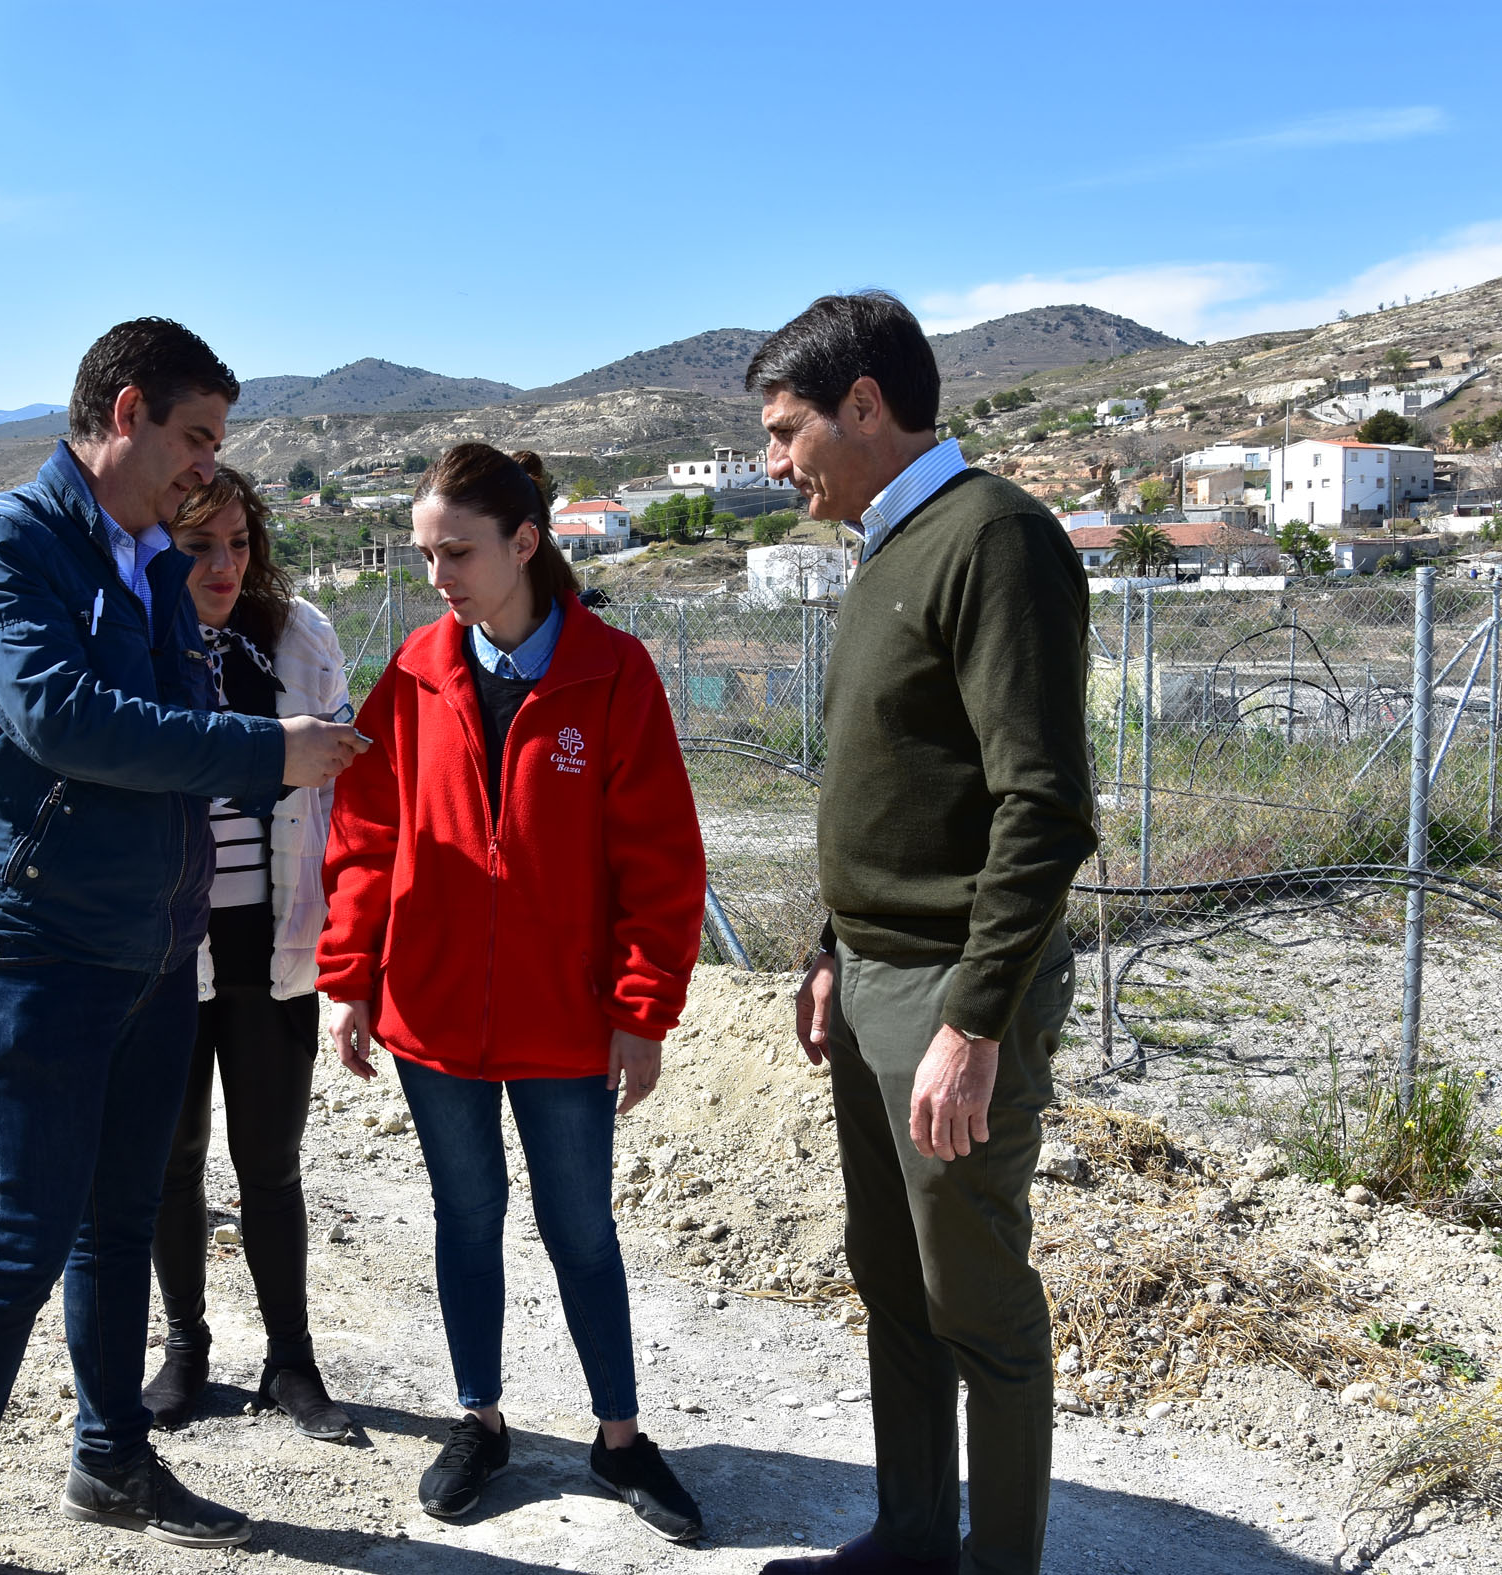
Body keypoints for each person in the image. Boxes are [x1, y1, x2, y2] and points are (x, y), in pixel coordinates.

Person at [0, 318, 367, 1575]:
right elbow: (61, 717)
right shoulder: (0, 547)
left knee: (117, 1226)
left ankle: (111, 1460)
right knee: (23, 1235)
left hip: (158, 947)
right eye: (194, 437)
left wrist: (270, 745)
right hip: (33, 943)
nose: (206, 465)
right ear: (125, 411)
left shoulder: (149, 561)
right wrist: (267, 752)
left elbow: (177, 721)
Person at [746, 294, 1095, 1575]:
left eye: (784, 431)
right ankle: (909, 1540)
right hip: (872, 978)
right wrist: (831, 951)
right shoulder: (888, 546)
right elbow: (903, 788)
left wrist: (972, 1022)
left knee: (974, 1302)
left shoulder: (993, 537)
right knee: (892, 1280)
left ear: (864, 404)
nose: (772, 464)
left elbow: (1041, 808)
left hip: (952, 990)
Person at [318, 444, 708, 1543]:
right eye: (424, 554)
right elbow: (367, 834)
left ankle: (619, 1439)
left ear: (524, 544)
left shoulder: (613, 673)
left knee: (581, 1227)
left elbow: (661, 862)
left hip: (565, 1020)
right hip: (433, 1014)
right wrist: (351, 978)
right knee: (466, 1216)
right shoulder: (415, 669)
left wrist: (641, 1010)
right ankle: (478, 1420)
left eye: (456, 552)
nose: (435, 574)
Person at [142, 467, 353, 1441]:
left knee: (270, 1162)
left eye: (237, 543)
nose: (223, 565)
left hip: (275, 941)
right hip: (164, 944)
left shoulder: (300, 636)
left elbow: (343, 791)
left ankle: (291, 1361)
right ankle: (185, 1351)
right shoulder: (136, 641)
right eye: (198, 547)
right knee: (171, 1160)